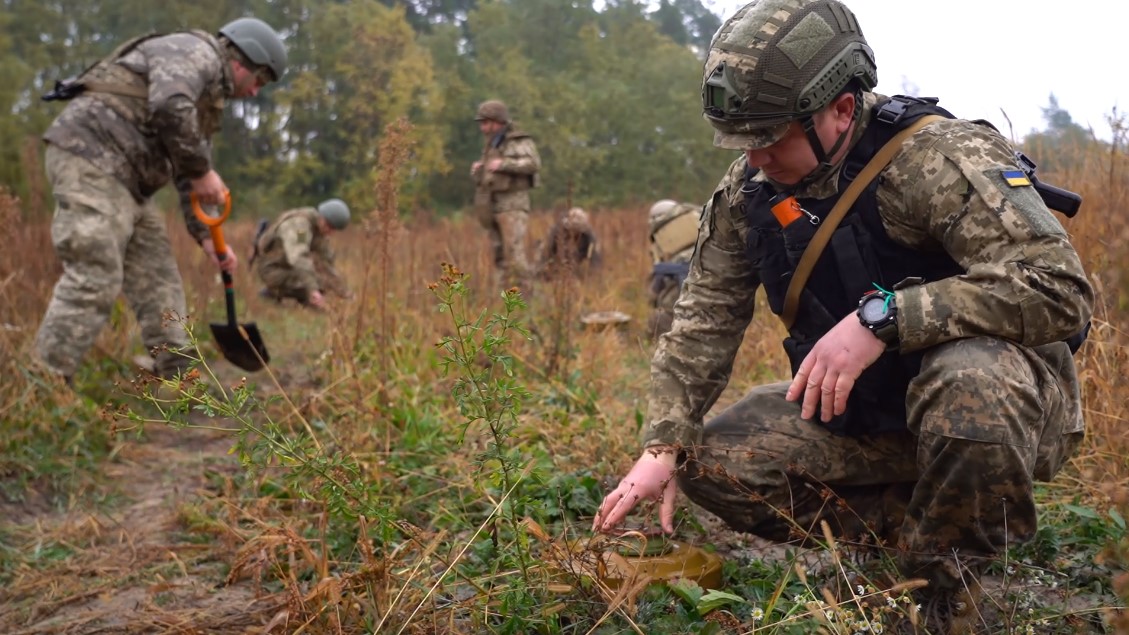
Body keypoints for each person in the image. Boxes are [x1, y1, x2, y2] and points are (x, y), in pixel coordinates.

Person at [593, 0, 1093, 630]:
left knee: (970, 382)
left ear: (841, 108)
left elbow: (1058, 287)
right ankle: (919, 534)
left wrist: (885, 319)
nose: (755, 159)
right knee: (715, 462)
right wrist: (664, 439)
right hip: (872, 414)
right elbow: (703, 317)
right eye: (742, 142)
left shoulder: (935, 160)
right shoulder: (748, 195)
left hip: (1002, 409)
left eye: (772, 137)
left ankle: (947, 588)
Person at [34, 17, 287, 382]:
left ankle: (178, 377)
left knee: (160, 280)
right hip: (92, 157)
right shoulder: (195, 52)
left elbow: (188, 171)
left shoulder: (206, 97)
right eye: (259, 80)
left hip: (130, 183)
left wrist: (206, 236)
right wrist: (203, 171)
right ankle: (46, 383)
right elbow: (170, 107)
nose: (255, 92)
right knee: (96, 274)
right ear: (241, 62)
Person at [471, 99, 541, 288]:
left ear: (498, 122)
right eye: (482, 124)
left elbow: (533, 164)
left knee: (514, 253)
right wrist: (480, 169)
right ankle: (505, 298)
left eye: (486, 123)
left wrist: (504, 164)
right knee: (499, 254)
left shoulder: (518, 140)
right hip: (493, 204)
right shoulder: (491, 145)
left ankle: (525, 297)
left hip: (513, 204)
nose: (483, 128)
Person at [252, 199, 350, 309]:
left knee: (323, 282)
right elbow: (298, 257)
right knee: (313, 283)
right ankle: (272, 293)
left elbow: (326, 263)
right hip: (272, 269)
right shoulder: (300, 227)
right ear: (322, 218)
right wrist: (313, 289)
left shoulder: (318, 229)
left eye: (334, 229)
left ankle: (304, 297)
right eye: (329, 226)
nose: (330, 232)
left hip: (289, 267)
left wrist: (345, 294)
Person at [646, 199, 702, 339]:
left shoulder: (666, 258)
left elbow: (652, 295)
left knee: (657, 318)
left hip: (678, 320)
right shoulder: (705, 247)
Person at [537, 206, 600, 279]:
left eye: (578, 231)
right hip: (557, 259)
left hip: (575, 262)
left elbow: (596, 259)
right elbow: (546, 252)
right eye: (573, 229)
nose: (575, 233)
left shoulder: (589, 236)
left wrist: (593, 275)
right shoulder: (557, 231)